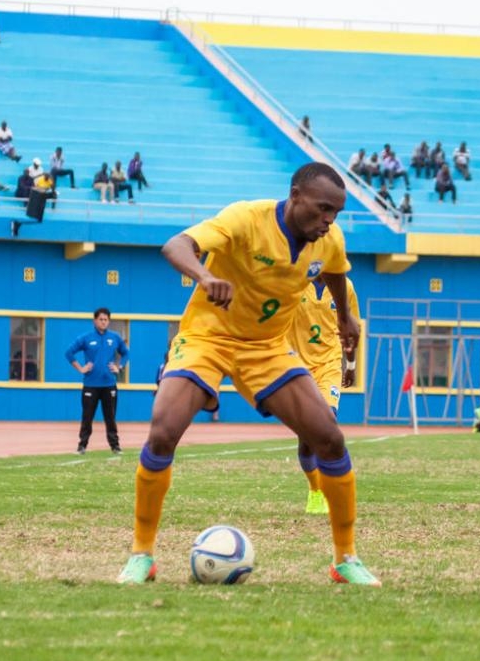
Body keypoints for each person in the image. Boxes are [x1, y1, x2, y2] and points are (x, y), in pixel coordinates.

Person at [115, 162, 380, 587]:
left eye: (336, 212)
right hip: (208, 337)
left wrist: (345, 317)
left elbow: (335, 270)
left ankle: (345, 559)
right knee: (163, 431)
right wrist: (204, 275)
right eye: (323, 208)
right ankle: (141, 555)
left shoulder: (328, 239)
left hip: (266, 346)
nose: (329, 219)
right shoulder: (246, 219)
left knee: (329, 438)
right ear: (295, 196)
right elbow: (176, 246)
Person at [287, 274, 360, 514]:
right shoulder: (294, 280)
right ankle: (315, 490)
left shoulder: (345, 286)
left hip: (329, 365)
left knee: (326, 425)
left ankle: (331, 490)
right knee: (307, 437)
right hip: (297, 366)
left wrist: (351, 365)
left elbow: (350, 329)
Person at [65, 307, 129, 455]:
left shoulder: (115, 337)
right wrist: (81, 369)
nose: (103, 322)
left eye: (106, 319)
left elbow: (126, 353)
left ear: (109, 321)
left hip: (109, 385)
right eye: (101, 319)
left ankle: (115, 446)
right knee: (87, 417)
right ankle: (82, 446)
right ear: (95, 321)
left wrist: (119, 367)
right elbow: (69, 353)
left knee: (110, 417)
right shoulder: (86, 338)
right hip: (90, 385)